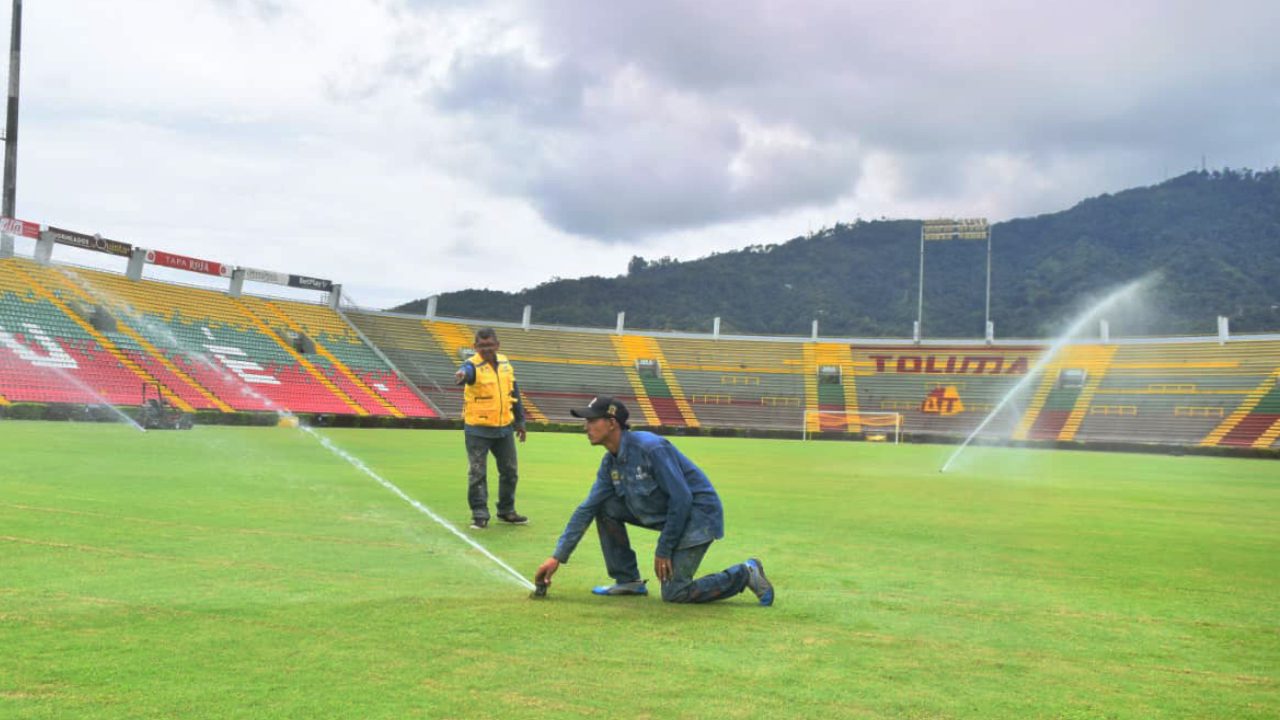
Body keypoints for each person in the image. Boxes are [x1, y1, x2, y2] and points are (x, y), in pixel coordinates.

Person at [533, 396, 774, 606]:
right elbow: (586, 509)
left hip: (699, 516)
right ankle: (628, 580)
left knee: (674, 593)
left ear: (612, 423)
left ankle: (745, 573)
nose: (586, 427)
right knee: (604, 507)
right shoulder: (610, 463)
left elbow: (682, 499)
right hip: (669, 514)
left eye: (592, 420)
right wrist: (557, 557)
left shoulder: (651, 448)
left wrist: (664, 548)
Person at [454, 327, 528, 529]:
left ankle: (506, 510)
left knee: (510, 471)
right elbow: (466, 373)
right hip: (478, 428)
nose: (486, 349)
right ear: (475, 347)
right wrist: (462, 375)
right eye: (481, 346)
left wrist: (520, 422)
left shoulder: (505, 363)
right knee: (477, 472)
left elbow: (514, 392)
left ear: (497, 345)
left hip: (504, 428)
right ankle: (479, 513)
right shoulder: (471, 365)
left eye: (489, 345)